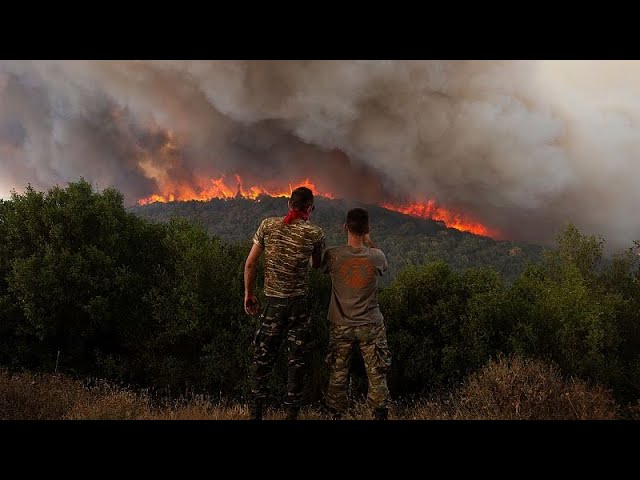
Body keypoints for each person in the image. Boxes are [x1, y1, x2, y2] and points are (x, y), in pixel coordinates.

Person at [244, 186, 325, 420]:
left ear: (289, 205)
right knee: (296, 360)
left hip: (272, 304)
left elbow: (250, 264)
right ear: (309, 208)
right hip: (299, 306)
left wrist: (248, 294)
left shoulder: (267, 225)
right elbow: (316, 265)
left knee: (262, 358)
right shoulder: (315, 233)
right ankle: (291, 414)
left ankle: (257, 412)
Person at [321, 207, 392, 420]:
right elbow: (384, 266)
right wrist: (369, 242)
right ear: (367, 229)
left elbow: (317, 266)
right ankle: (379, 414)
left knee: (338, 373)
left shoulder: (333, 255)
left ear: (345, 227)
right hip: (370, 325)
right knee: (377, 373)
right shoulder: (376, 256)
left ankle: (336, 414)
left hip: (341, 324)